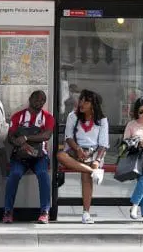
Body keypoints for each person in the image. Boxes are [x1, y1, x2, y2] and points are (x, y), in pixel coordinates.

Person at [2, 90, 55, 224]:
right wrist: (19, 144)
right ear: (30, 99)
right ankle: (8, 211)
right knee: (14, 175)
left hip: (39, 157)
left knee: (43, 175)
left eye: (43, 100)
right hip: (20, 156)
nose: (40, 102)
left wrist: (26, 138)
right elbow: (10, 137)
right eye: (37, 99)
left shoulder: (47, 117)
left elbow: (46, 135)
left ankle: (45, 212)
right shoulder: (18, 116)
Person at [57, 89, 108, 224]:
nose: (82, 103)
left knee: (86, 175)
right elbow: (68, 137)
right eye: (81, 100)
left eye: (86, 101)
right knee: (60, 156)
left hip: (94, 153)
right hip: (76, 150)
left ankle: (86, 213)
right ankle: (94, 172)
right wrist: (78, 149)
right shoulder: (73, 116)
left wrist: (97, 160)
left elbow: (103, 144)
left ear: (93, 104)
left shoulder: (102, 120)